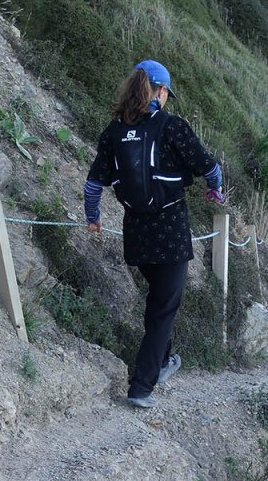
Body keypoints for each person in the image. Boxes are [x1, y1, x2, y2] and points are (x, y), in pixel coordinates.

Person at [84, 59, 223, 409]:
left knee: (159, 300)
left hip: (136, 232)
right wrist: (215, 189)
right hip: (171, 229)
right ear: (160, 91)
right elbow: (209, 166)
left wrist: (93, 218)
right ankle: (142, 386)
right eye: (165, 92)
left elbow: (93, 185)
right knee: (164, 306)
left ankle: (162, 360)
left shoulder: (113, 131)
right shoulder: (171, 126)